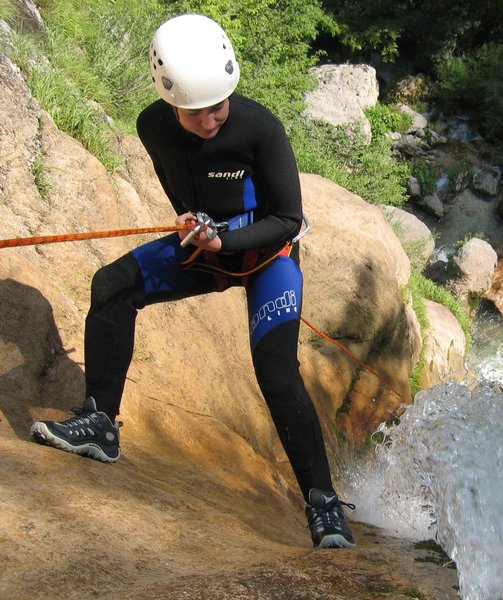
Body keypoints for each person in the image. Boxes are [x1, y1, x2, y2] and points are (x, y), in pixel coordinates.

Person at [30, 13, 355, 549]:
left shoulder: (260, 129)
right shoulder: (151, 126)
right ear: (169, 101)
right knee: (113, 284)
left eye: (217, 108)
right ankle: (100, 423)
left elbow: (289, 219)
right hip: (205, 250)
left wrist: (223, 242)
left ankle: (324, 506)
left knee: (276, 374)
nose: (209, 122)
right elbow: (186, 191)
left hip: (266, 260)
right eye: (195, 112)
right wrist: (193, 223)